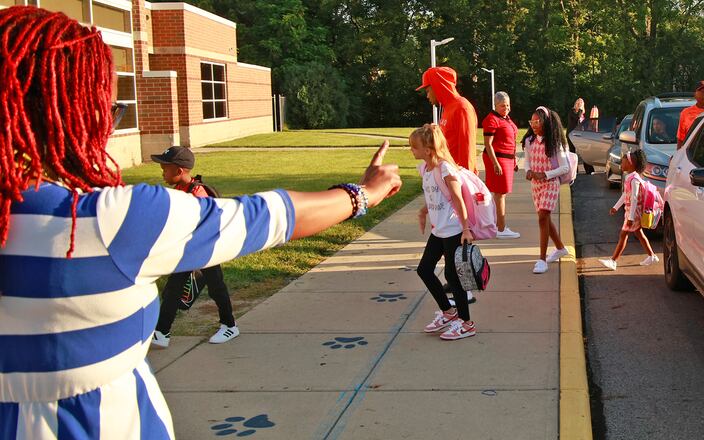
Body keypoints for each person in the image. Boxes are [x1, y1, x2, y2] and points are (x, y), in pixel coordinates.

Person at [0, 6, 402, 438]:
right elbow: (269, 216)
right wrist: (365, 193)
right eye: (110, 109)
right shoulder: (107, 220)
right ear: (80, 111)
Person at [149, 146, 239, 347]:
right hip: (189, 251)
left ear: (179, 171)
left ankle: (230, 325)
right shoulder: (180, 190)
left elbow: (208, 223)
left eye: (165, 168)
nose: (162, 172)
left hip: (206, 250)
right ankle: (162, 333)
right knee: (172, 289)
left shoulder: (198, 194)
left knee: (216, 287)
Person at [416, 66, 478, 304]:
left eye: (428, 88)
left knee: (456, 248)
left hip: (454, 187)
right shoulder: (447, 109)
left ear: (439, 86)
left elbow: (464, 152)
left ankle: (465, 291)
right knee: (448, 250)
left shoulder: (461, 108)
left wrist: (457, 189)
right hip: (445, 187)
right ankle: (457, 285)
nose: (426, 94)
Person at [412, 124, 476, 340]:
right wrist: (423, 211)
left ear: (428, 150)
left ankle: (467, 323)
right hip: (439, 231)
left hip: (454, 230)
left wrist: (466, 229)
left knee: (452, 276)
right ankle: (449, 313)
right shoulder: (425, 169)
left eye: (414, 147)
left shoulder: (445, 168)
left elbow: (457, 199)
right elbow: (434, 197)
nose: (411, 150)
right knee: (424, 270)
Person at [522, 107, 570, 274]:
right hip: (536, 184)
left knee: (543, 216)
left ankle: (542, 259)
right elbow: (526, 161)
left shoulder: (555, 142)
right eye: (532, 122)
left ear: (546, 122)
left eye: (537, 121)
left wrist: (545, 174)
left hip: (551, 183)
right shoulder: (529, 140)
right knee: (545, 218)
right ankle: (560, 248)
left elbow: (564, 167)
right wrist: (527, 171)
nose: (534, 125)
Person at [598, 150, 659, 271]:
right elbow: (626, 194)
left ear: (631, 164)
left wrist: (631, 218)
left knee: (623, 234)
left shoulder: (634, 179)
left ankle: (613, 261)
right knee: (639, 234)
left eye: (624, 161)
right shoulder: (630, 178)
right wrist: (616, 207)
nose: (622, 163)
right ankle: (652, 256)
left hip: (633, 213)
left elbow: (635, 199)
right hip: (631, 211)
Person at [416, 66, 478, 174]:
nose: (427, 96)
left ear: (438, 86)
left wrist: (466, 182)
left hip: (457, 178)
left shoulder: (462, 108)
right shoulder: (448, 107)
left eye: (428, 91)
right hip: (447, 175)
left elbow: (467, 149)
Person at [481, 91, 520, 239]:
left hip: (507, 158)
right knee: (500, 194)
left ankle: (498, 225)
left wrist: (514, 159)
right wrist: (495, 163)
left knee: (501, 193)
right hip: (497, 158)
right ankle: (501, 229)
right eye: (503, 105)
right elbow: (488, 144)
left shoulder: (505, 118)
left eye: (508, 105)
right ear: (495, 105)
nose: (506, 108)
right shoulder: (491, 120)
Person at [676, 80, 704, 148]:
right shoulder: (686, 113)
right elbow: (681, 138)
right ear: (695, 94)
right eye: (702, 91)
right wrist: (678, 155)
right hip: (692, 153)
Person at [567, 98, 594, 174]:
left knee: (584, 151)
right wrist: (580, 110)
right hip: (572, 135)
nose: (579, 105)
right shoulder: (572, 111)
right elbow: (577, 118)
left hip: (580, 135)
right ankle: (574, 171)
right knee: (572, 153)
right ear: (575, 104)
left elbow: (582, 124)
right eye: (578, 103)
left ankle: (589, 170)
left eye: (581, 103)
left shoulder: (582, 114)